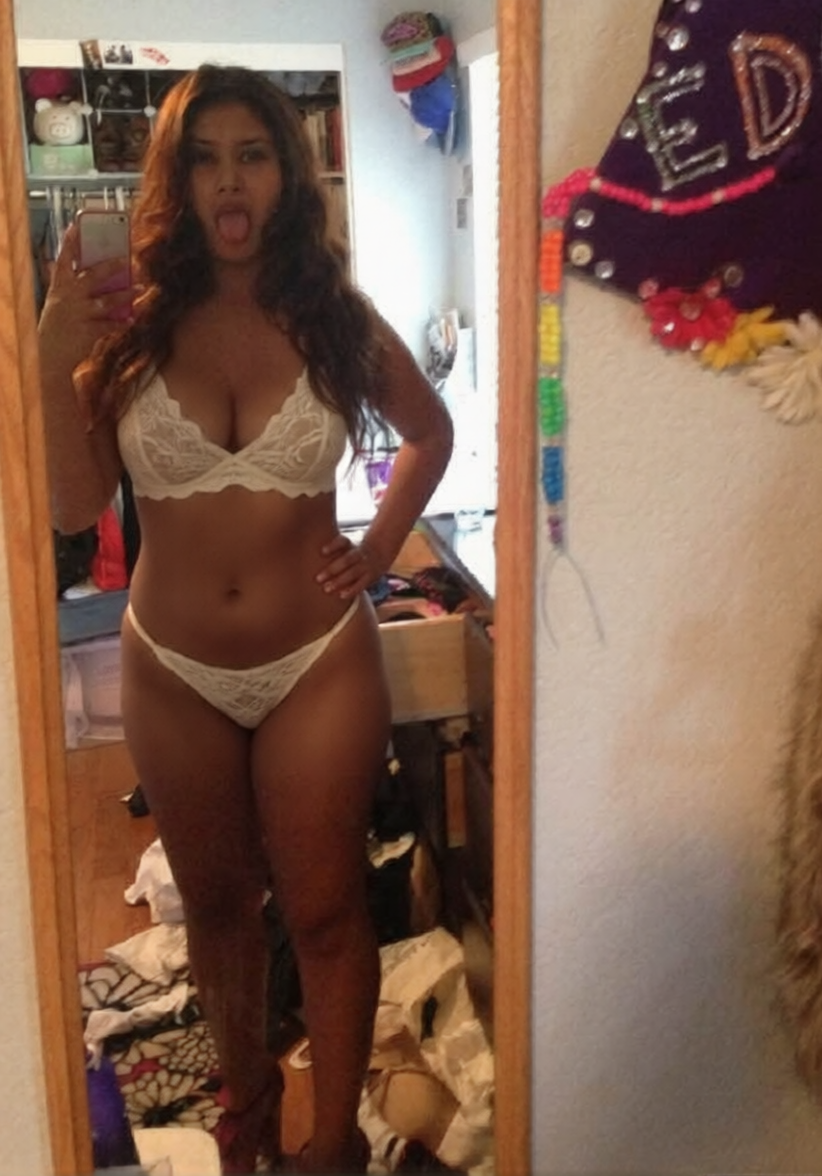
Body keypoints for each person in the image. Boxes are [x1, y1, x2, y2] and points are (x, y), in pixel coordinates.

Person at [37, 64, 454, 1175]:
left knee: (324, 911)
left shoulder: (333, 319)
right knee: (218, 913)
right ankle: (247, 1121)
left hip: (317, 659)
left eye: (253, 155)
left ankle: (332, 1145)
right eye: (205, 159)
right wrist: (48, 351)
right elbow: (73, 507)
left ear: (287, 175)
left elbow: (431, 431)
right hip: (171, 667)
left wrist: (377, 547)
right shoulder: (126, 328)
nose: (230, 182)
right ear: (175, 181)